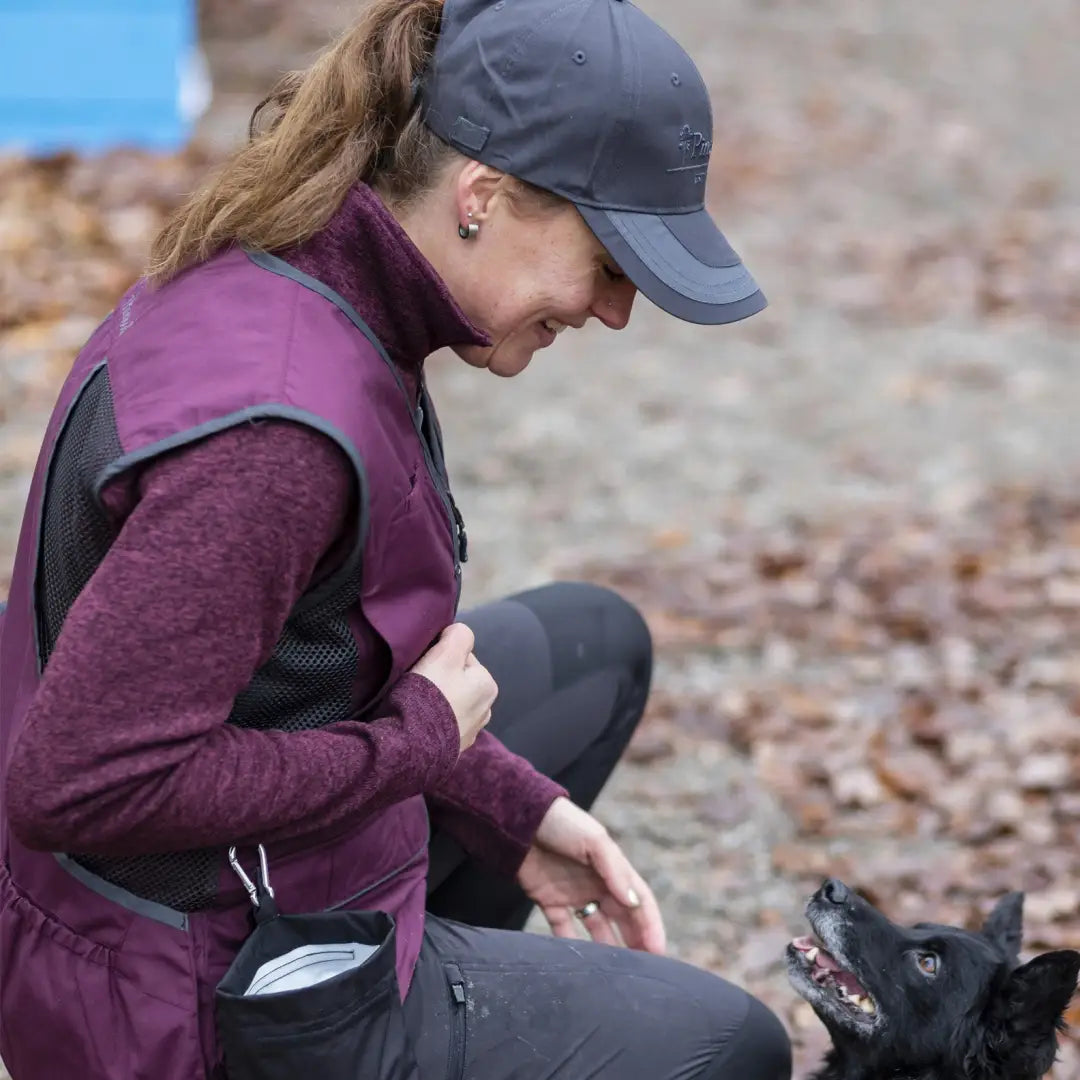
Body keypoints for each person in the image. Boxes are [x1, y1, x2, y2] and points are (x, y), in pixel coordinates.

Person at [0, 0, 791, 1077]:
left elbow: (308, 655)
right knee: (726, 1042)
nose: (616, 312)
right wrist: (417, 745)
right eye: (611, 260)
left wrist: (507, 806)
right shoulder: (274, 435)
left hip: (180, 895)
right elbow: (78, 786)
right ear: (482, 197)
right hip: (183, 996)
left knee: (591, 644)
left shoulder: (307, 266)